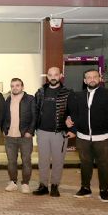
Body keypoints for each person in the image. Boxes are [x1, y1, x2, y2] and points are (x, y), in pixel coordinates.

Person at [68, 69, 108, 202]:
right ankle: (85, 188)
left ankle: (104, 191)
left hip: (103, 138)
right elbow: (74, 115)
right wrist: (71, 126)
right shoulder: (78, 95)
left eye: (95, 77)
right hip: (83, 137)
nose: (92, 79)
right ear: (85, 81)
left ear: (100, 78)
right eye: (89, 77)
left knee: (104, 165)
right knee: (85, 164)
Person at [32, 67, 75, 197]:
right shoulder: (40, 92)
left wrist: (71, 128)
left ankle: (55, 185)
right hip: (42, 132)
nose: (53, 77)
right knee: (43, 161)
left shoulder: (68, 93)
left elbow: (73, 112)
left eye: (56, 74)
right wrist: (34, 129)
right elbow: (35, 111)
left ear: (61, 75)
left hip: (60, 133)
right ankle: (43, 186)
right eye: (50, 75)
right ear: (47, 77)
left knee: (58, 161)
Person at [1, 78, 36, 193]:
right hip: (10, 137)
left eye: (17, 85)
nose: (15, 88)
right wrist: (4, 130)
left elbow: (34, 117)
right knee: (11, 162)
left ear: (22, 87)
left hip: (25, 136)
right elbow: (3, 116)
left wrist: (30, 131)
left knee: (26, 161)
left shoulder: (30, 99)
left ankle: (25, 183)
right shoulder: (7, 100)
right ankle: (13, 182)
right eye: (12, 86)